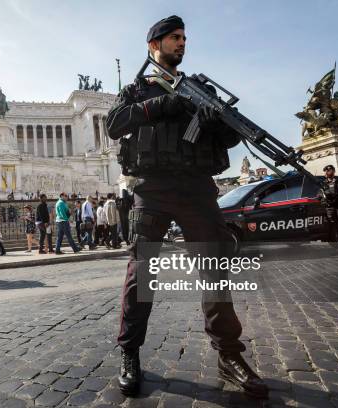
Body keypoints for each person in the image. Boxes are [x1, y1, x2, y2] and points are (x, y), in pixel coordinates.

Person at [106, 15, 268, 398]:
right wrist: (164, 104)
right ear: (154, 46)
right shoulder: (136, 90)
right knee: (142, 273)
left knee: (215, 270)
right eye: (173, 38)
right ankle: (130, 353)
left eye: (183, 37)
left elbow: (230, 137)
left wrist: (216, 121)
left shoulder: (201, 88)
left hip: (197, 187)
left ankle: (229, 356)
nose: (181, 43)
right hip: (153, 187)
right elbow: (114, 124)